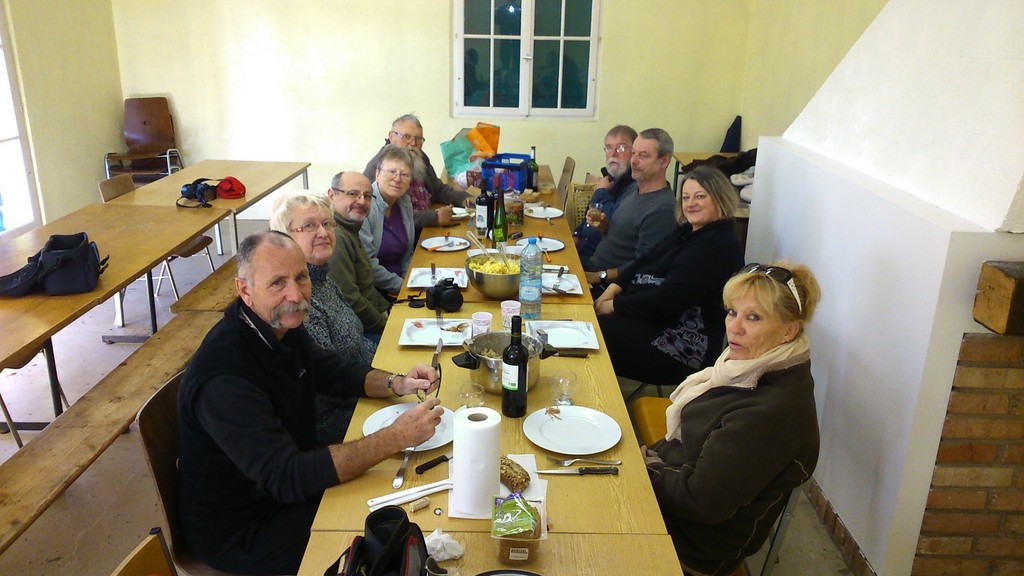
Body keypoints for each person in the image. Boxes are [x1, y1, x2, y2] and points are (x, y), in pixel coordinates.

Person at [177, 230, 441, 575]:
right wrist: (395, 436)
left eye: (301, 277)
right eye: (277, 283)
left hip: (285, 486)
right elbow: (288, 476)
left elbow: (332, 370)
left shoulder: (276, 326)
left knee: (404, 499)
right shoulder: (224, 378)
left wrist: (397, 382)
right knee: (392, 530)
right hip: (245, 527)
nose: (296, 293)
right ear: (245, 290)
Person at [643, 261, 822, 576]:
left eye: (753, 317)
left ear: (789, 330)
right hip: (675, 483)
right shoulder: (749, 367)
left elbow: (702, 501)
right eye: (731, 312)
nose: (734, 327)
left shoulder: (771, 412)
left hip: (694, 545)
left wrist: (645, 470)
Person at [595, 167, 743, 385]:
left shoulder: (716, 245)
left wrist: (614, 306)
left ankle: (594, 401)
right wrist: (614, 287)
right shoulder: (688, 231)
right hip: (652, 320)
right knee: (582, 320)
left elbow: (667, 299)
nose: (691, 203)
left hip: (680, 347)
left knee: (589, 334)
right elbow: (644, 260)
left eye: (700, 196)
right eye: (685, 197)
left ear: (719, 199)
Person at [270, 190, 376, 444]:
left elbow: (357, 345)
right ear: (285, 237)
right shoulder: (295, 300)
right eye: (309, 226)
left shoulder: (322, 277)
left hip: (359, 390)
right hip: (334, 423)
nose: (323, 232)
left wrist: (393, 376)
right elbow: (329, 386)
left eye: (327, 224)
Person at [584, 128, 679, 289]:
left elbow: (643, 267)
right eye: (634, 153)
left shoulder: (662, 209)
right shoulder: (633, 189)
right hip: (592, 266)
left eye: (643, 156)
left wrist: (598, 276)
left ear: (664, 161)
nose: (634, 161)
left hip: (606, 285)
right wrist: (603, 226)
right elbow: (620, 238)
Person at [363, 114, 472, 228]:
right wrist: (433, 218)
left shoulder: (419, 156)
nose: (413, 143)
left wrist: (465, 199)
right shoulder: (379, 168)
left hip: (427, 228)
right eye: (406, 137)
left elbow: (438, 189)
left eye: (418, 138)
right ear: (391, 137)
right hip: (408, 237)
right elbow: (390, 218)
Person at [325, 171, 390, 339]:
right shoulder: (336, 237)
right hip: (361, 333)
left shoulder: (351, 228)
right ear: (332, 195)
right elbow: (350, 299)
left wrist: (385, 308)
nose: (361, 201)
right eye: (353, 194)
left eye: (367, 196)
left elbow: (365, 282)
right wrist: (385, 326)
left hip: (371, 320)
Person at [572, 125, 638, 262]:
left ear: (634, 152)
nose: (613, 154)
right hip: (581, 252)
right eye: (608, 147)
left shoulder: (635, 186)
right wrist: (575, 237)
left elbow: (612, 221)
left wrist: (601, 191)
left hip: (598, 262)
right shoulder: (609, 179)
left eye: (620, 148)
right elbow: (588, 216)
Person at [361, 145, 418, 296]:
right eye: (392, 172)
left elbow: (407, 253)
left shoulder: (404, 203)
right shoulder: (365, 207)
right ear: (377, 174)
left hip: (403, 284)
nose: (397, 179)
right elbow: (368, 265)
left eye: (404, 174)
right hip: (377, 292)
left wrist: (411, 278)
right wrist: (404, 286)